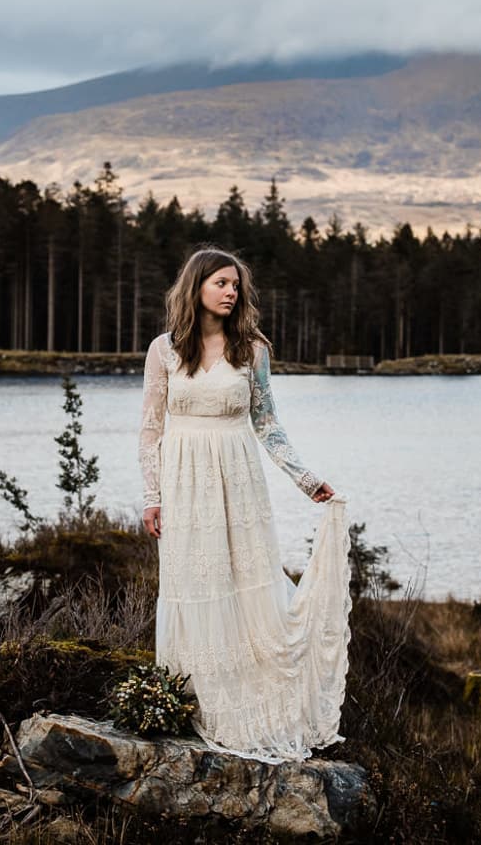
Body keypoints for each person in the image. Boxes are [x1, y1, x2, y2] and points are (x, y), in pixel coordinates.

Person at [138, 246, 352, 762]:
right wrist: (152, 497)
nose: (232, 292)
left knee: (242, 585)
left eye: (236, 285)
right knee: (194, 584)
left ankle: (248, 706)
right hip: (184, 482)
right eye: (221, 283)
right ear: (197, 287)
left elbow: (267, 423)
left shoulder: (252, 350)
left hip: (238, 481)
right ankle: (191, 701)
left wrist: (306, 479)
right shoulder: (164, 350)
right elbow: (150, 428)